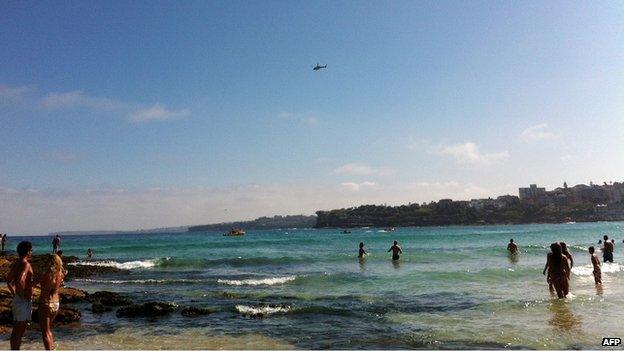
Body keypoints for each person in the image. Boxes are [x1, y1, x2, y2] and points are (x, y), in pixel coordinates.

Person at [6, 241, 34, 350]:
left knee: (16, 330)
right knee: (19, 331)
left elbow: (8, 281)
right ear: (27, 251)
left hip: (18, 300)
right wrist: (23, 295)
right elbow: (21, 280)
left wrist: (15, 294)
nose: (32, 252)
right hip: (23, 301)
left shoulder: (17, 263)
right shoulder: (26, 264)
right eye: (31, 250)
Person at [38, 253, 65, 350]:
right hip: (56, 303)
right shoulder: (60, 274)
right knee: (49, 330)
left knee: (45, 332)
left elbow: (32, 283)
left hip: (45, 302)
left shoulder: (45, 274)